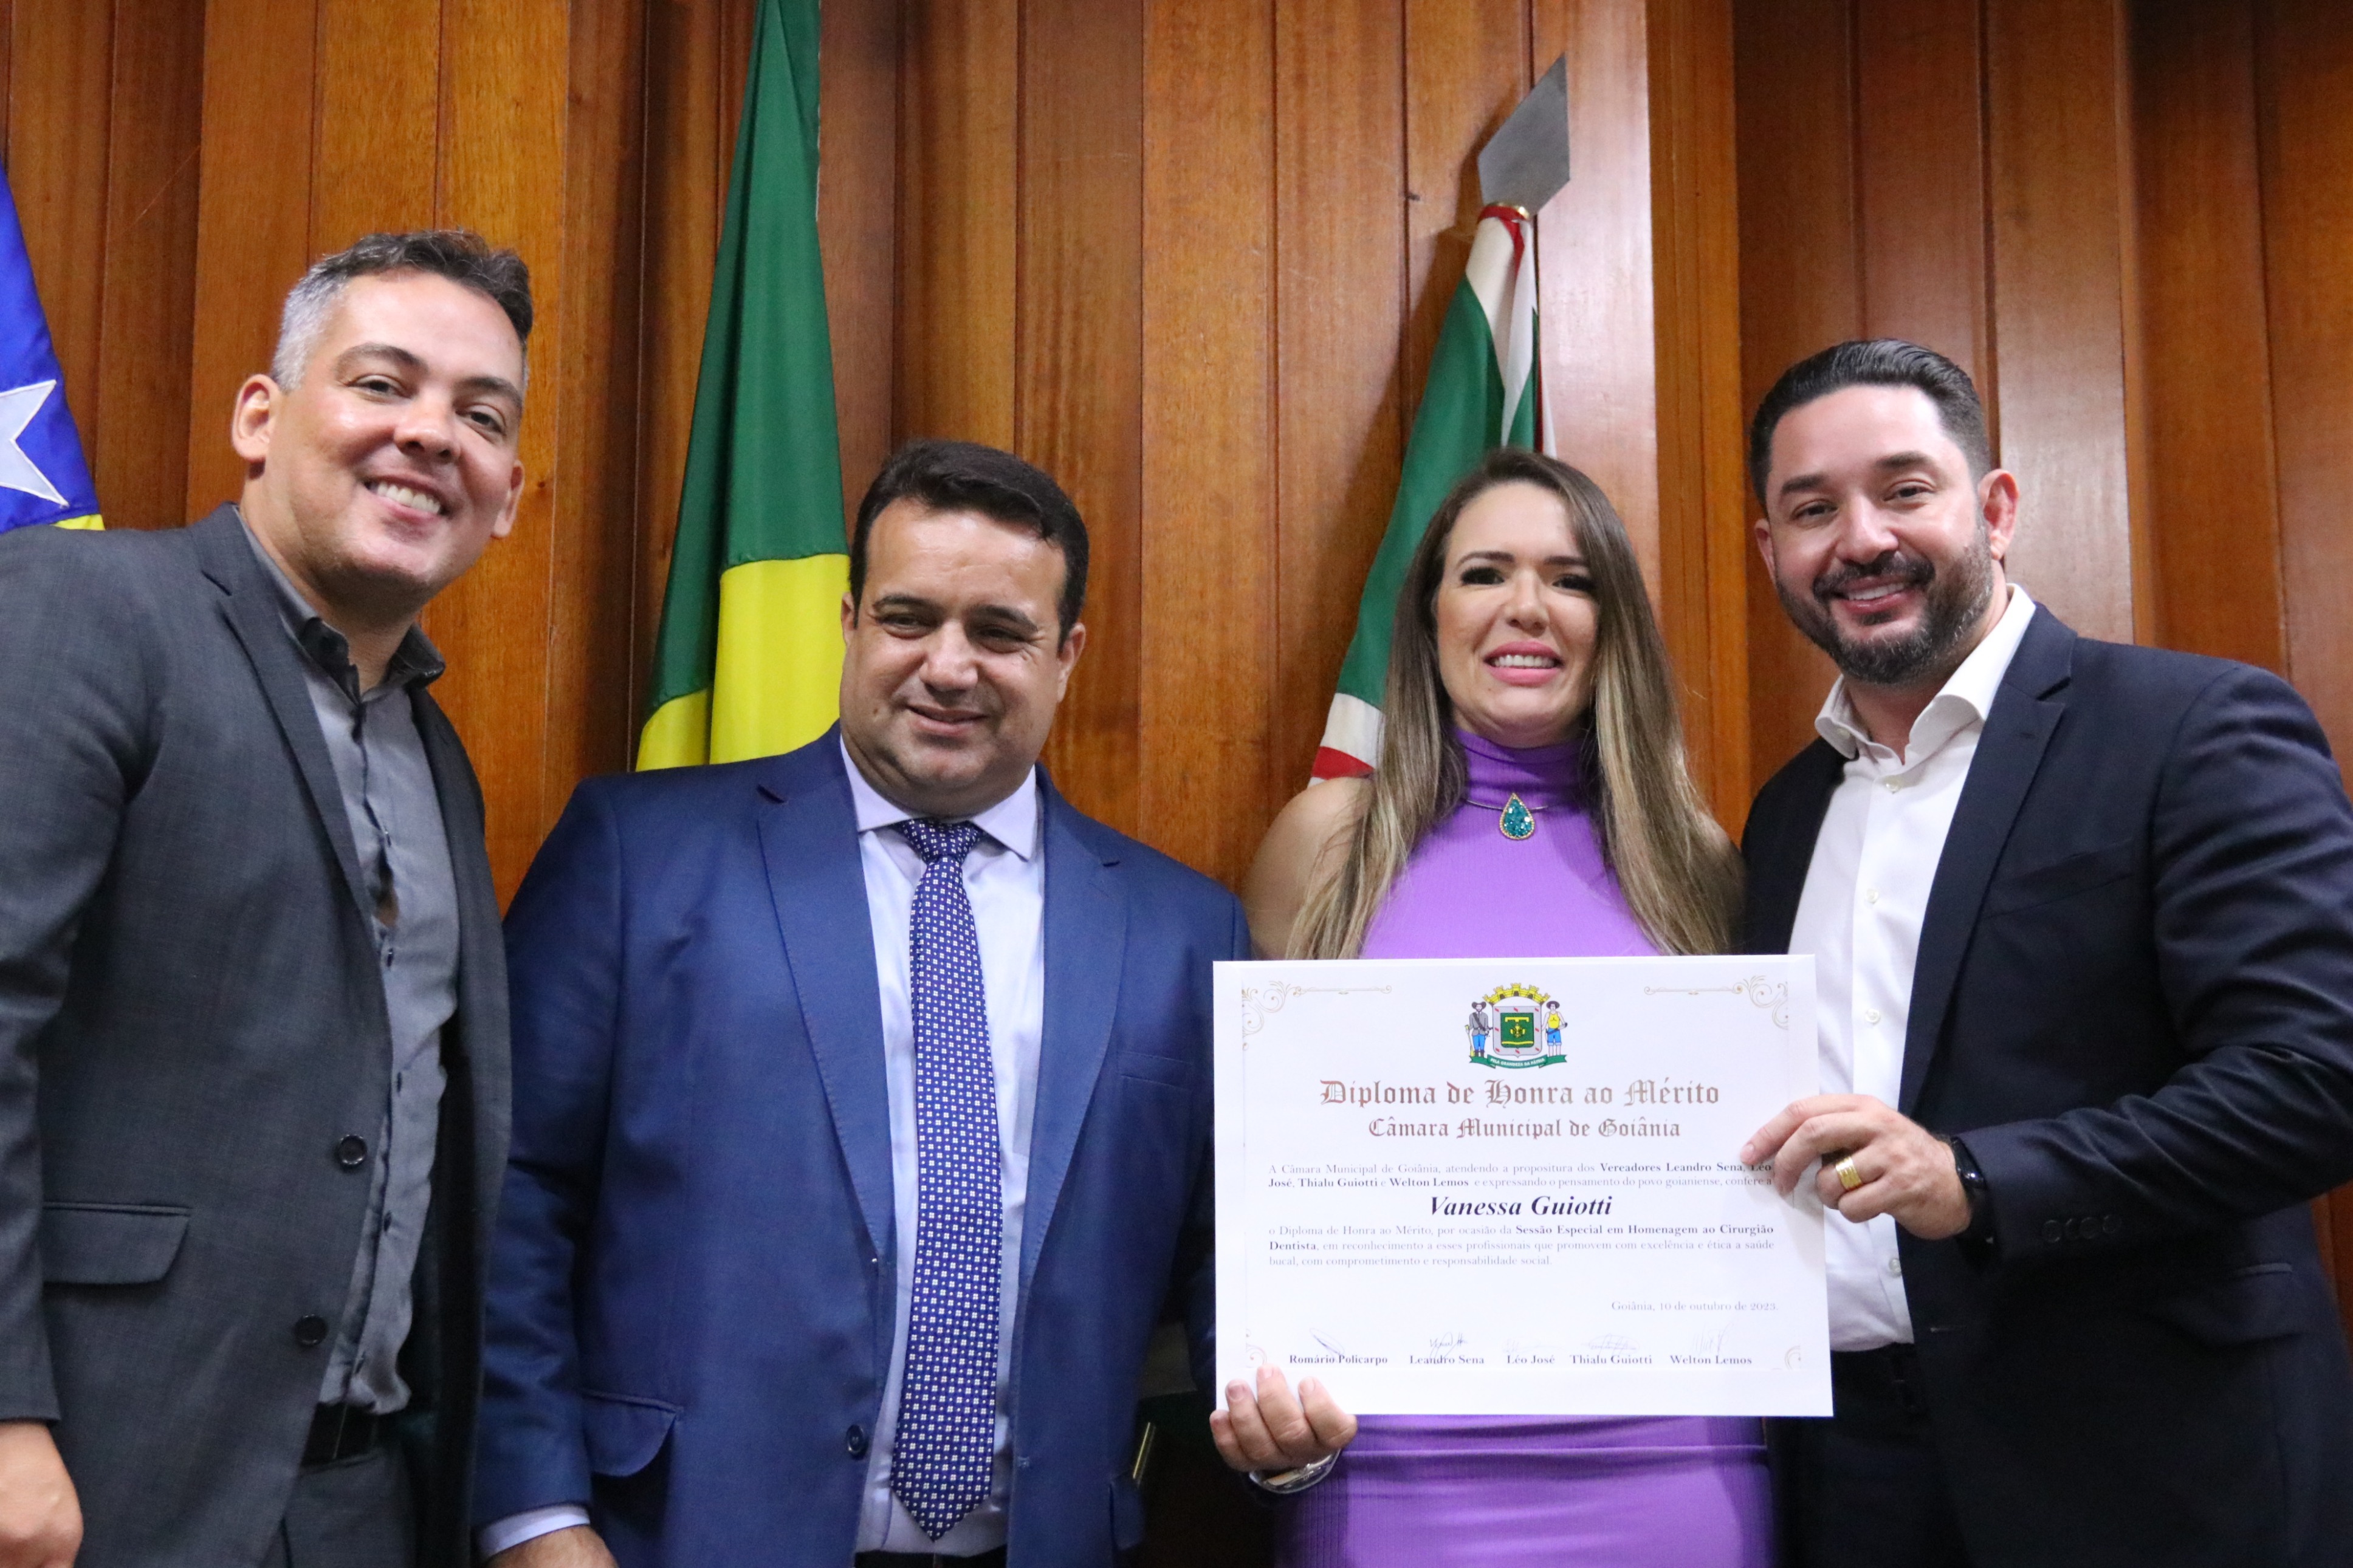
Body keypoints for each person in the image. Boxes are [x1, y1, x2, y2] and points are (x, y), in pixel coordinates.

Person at [472, 439, 1342, 1568]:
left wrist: (1287, 1409)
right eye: (908, 618)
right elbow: (511, 1194)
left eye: (1000, 631)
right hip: (675, 1540)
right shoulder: (642, 857)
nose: (948, 665)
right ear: (849, 623)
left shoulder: (1183, 932)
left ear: (1067, 655)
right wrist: (535, 1518)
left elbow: (1231, 1246)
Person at [1736, 338, 2353, 1568]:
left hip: (2151, 1464)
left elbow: (2314, 1080)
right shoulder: (1785, 813)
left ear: (1997, 508)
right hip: (1855, 1474)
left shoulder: (2192, 730)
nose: (1860, 539)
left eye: (1904, 490)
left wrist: (1975, 1178)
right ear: (1771, 551)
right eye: (1812, 510)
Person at [0, 230, 531, 1568]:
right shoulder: (87, 609)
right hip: (93, 1477)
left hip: (362, 1501)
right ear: (259, 416)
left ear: (509, 497)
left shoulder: (440, 757)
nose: (431, 434)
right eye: (382, 384)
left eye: (481, 417)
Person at [1240, 447, 1765, 1567]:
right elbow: (1263, 1159)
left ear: (1614, 622)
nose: (1527, 606)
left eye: (1572, 579)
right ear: (1429, 613)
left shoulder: (1698, 860)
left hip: (1669, 1468)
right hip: (1387, 1476)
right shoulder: (1324, 844)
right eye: (1485, 572)